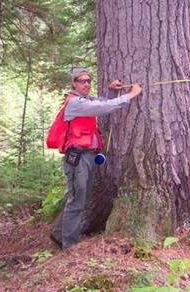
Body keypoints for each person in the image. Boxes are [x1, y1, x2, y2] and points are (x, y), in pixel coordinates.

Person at [50, 67, 142, 249]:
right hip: (77, 158)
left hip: (89, 157)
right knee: (77, 199)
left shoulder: (85, 100)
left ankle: (60, 234)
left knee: (82, 199)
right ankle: (69, 245)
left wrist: (111, 91)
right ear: (74, 83)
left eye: (88, 81)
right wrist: (131, 95)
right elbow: (103, 108)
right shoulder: (75, 103)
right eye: (82, 81)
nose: (86, 84)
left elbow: (101, 102)